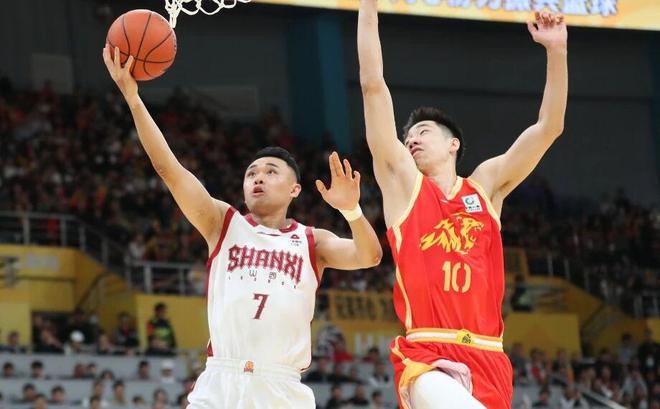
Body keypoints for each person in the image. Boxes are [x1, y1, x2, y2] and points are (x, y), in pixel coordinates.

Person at [102, 45, 382, 409]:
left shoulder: (312, 241)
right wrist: (133, 98)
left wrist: (352, 211)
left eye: (270, 172)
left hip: (282, 388)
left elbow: (370, 256)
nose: (258, 178)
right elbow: (168, 169)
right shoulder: (222, 222)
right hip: (222, 380)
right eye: (251, 173)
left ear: (295, 189)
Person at [357, 1, 568, 407]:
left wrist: (556, 52)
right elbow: (372, 86)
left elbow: (548, 128)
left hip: (489, 355)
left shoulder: (486, 187)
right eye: (408, 137)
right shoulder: (403, 186)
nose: (412, 139)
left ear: (453, 144)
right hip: (427, 353)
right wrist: (368, 7)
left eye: (423, 131)